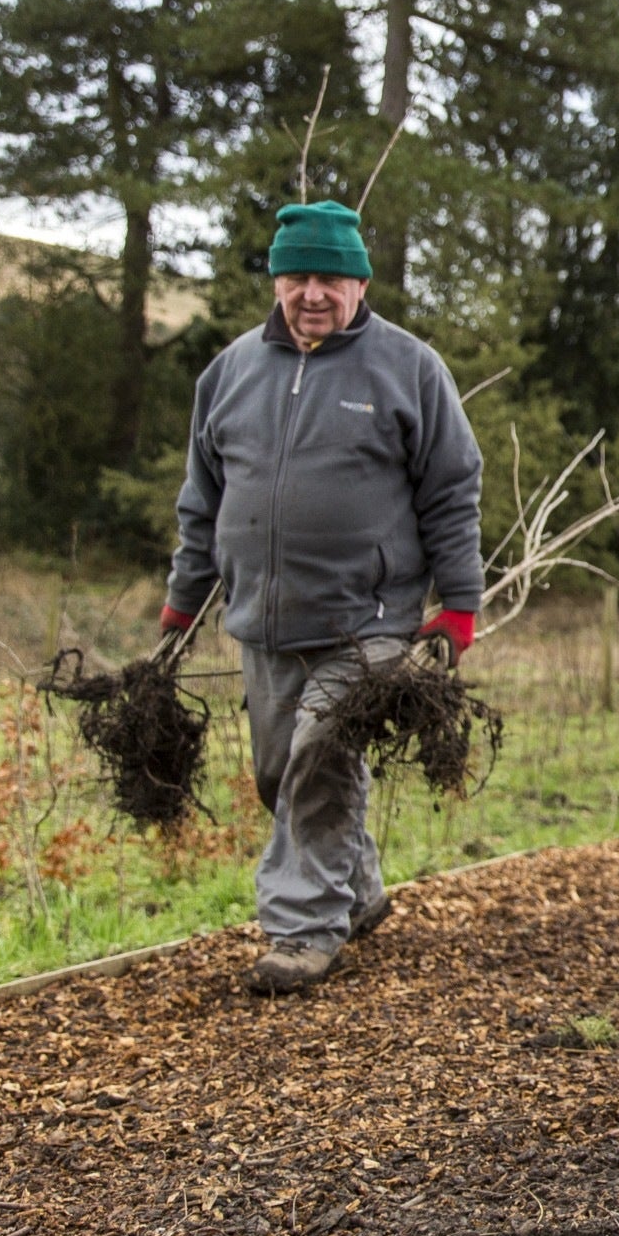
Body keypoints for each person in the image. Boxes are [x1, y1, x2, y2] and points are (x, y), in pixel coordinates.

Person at [160, 200, 484, 995]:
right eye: (299, 276)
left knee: (318, 756)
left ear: (361, 283)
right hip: (263, 619)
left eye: (330, 279)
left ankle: (303, 931)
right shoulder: (230, 373)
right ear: (276, 281)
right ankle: (357, 889)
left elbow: (452, 489)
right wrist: (182, 604)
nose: (313, 293)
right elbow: (202, 501)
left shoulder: (408, 368)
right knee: (282, 773)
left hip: (367, 620)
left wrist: (459, 604)